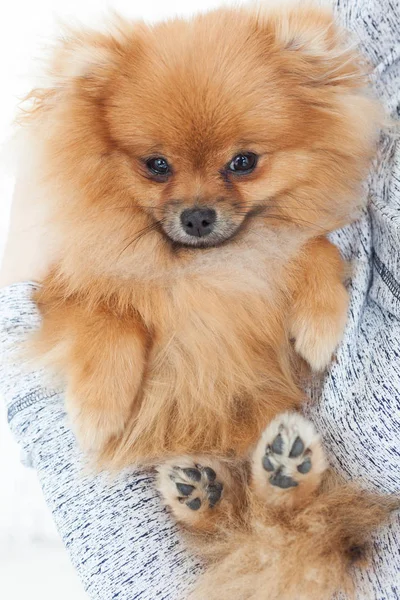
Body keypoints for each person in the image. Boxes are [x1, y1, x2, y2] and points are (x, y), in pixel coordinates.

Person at [0, 0, 399, 597]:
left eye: (240, 164)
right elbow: (63, 290)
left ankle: (253, 501)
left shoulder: (312, 90)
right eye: (158, 167)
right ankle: (221, 503)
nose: (196, 204)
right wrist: (102, 347)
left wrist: (317, 271)